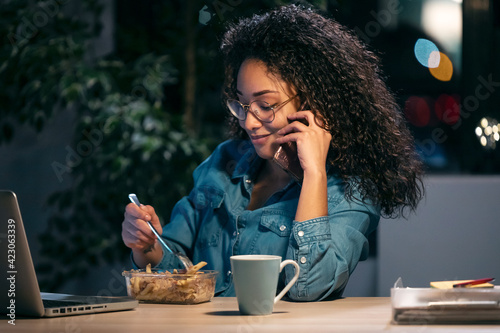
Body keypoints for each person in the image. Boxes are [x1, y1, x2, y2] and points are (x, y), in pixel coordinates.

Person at [121, 4, 424, 301]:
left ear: (312, 103)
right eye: (242, 104)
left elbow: (309, 287)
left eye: (266, 106)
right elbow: (181, 275)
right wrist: (148, 247)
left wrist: (314, 174)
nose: (249, 122)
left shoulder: (350, 190)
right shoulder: (224, 163)